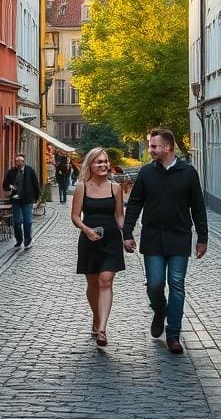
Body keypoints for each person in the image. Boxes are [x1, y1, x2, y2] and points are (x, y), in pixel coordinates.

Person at [122, 128, 207, 355]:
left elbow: (198, 207)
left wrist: (202, 238)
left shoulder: (188, 173)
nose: (150, 150)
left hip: (179, 237)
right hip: (152, 238)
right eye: (151, 146)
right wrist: (127, 233)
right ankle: (159, 310)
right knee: (155, 284)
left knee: (177, 285)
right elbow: (134, 204)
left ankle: (173, 335)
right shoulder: (146, 173)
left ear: (167, 147)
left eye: (154, 146)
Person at [70, 147, 125, 348]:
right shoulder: (82, 187)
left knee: (106, 281)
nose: (103, 165)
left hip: (111, 240)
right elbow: (75, 216)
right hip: (89, 240)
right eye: (98, 162)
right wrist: (87, 230)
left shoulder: (115, 188)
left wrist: (125, 233)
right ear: (90, 165)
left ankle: (102, 329)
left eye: (105, 162)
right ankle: (96, 317)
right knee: (93, 283)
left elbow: (119, 215)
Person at [2, 154, 39, 249]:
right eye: (16, 163)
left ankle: (27, 240)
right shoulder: (11, 172)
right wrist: (8, 187)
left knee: (28, 222)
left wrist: (37, 198)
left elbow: (35, 184)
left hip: (27, 200)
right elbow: (5, 184)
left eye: (19, 163)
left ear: (23, 162)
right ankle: (19, 240)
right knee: (17, 222)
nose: (17, 165)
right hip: (15, 201)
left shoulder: (29, 170)